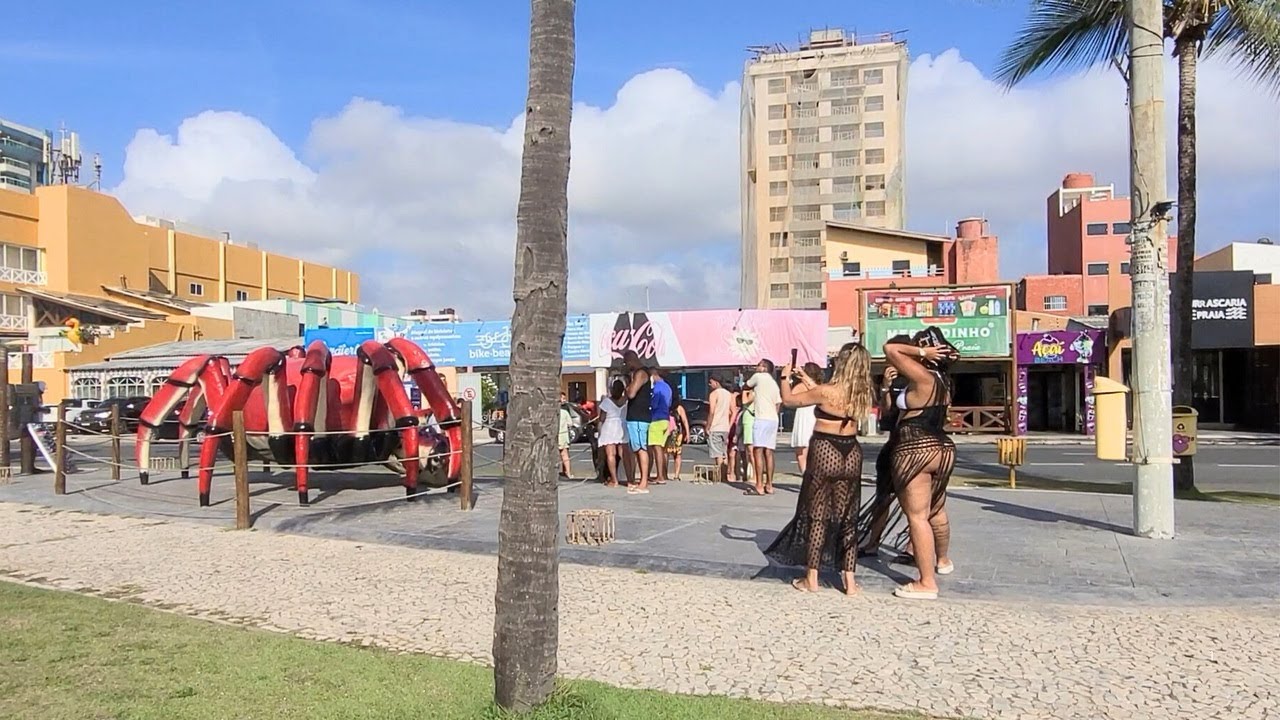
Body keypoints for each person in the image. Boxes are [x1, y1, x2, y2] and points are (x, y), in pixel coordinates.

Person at [765, 342, 874, 594]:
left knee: (817, 515)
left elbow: (790, 400)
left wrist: (784, 376)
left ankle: (811, 578)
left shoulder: (827, 391)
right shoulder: (864, 393)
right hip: (851, 451)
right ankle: (849, 582)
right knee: (848, 516)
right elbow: (828, 397)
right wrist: (806, 378)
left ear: (843, 363)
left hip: (826, 449)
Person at [884, 328, 959, 601]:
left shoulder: (923, 376)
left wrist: (920, 352)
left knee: (917, 517)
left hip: (916, 447)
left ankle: (926, 582)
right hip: (942, 447)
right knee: (936, 510)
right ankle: (943, 560)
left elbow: (890, 349)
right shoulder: (942, 380)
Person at [859, 361, 912, 558]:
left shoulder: (919, 379)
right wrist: (885, 388)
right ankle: (873, 542)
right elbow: (887, 410)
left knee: (913, 502)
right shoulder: (893, 381)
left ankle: (913, 547)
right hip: (892, 443)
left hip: (911, 445)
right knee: (882, 499)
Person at [746, 359, 782, 496]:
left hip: (761, 418)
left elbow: (746, 385)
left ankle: (759, 485)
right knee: (769, 452)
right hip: (773, 419)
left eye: (759, 365)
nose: (756, 367)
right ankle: (769, 485)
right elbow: (778, 403)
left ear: (764, 368)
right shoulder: (774, 383)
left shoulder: (758, 377)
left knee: (758, 450)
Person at [623, 350, 652, 492]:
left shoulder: (641, 373)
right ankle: (639, 480)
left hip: (639, 417)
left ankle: (644, 482)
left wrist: (628, 386)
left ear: (630, 360)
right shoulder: (637, 374)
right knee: (636, 449)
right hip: (635, 417)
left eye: (626, 362)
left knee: (641, 449)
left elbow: (631, 393)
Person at [789, 362, 824, 475]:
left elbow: (790, 398)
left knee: (801, 451)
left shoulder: (800, 386)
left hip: (804, 415)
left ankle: (805, 475)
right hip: (815, 415)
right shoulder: (820, 386)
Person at [596, 380, 628, 487]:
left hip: (609, 427)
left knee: (611, 454)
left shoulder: (606, 401)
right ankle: (629, 478)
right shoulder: (626, 401)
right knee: (623, 454)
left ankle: (614, 480)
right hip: (622, 426)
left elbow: (602, 418)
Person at [647, 366, 673, 486]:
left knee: (656, 448)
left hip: (656, 419)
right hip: (666, 418)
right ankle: (661, 474)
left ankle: (660, 476)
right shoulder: (667, 387)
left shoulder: (657, 388)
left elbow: (654, 404)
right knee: (661, 449)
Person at [706, 375, 733, 482]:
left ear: (716, 382)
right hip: (725, 426)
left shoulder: (714, 394)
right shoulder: (728, 394)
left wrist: (708, 426)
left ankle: (721, 476)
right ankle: (725, 475)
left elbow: (712, 411)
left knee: (717, 454)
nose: (710, 384)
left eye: (711, 382)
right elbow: (732, 411)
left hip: (716, 426)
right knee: (724, 452)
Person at [664, 385, 690, 480]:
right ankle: (674, 474)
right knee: (673, 454)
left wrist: (688, 433)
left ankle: (673, 474)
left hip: (673, 433)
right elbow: (685, 421)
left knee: (669, 453)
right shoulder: (677, 408)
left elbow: (685, 421)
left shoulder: (676, 408)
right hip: (675, 432)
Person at [557, 391, 573, 478]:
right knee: (565, 454)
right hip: (563, 435)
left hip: (557, 435)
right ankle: (568, 472)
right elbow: (570, 423)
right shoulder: (565, 412)